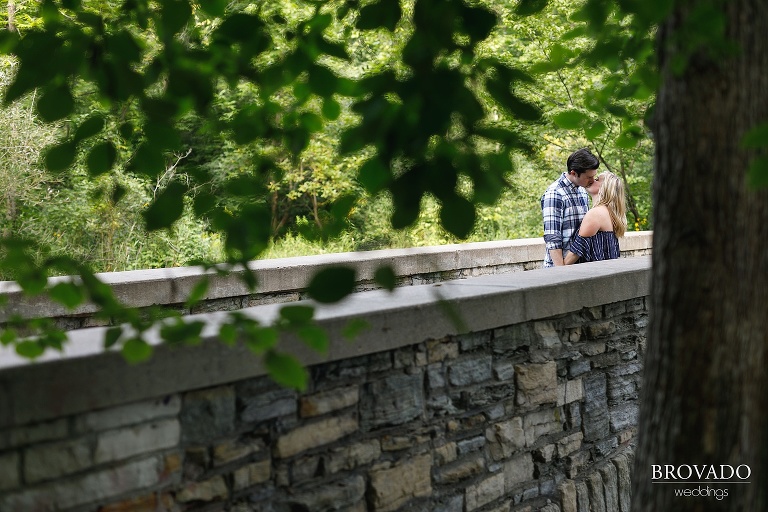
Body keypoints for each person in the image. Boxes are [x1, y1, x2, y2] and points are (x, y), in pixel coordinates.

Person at [540, 148, 599, 267]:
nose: (592, 180)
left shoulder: (582, 190)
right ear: (573, 173)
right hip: (560, 268)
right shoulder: (555, 193)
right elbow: (552, 237)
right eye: (588, 177)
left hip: (580, 265)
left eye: (594, 176)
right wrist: (561, 272)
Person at [564, 171, 627, 264]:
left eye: (597, 179)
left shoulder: (596, 213)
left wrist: (558, 269)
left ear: (605, 187)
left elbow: (576, 252)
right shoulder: (610, 213)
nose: (592, 180)